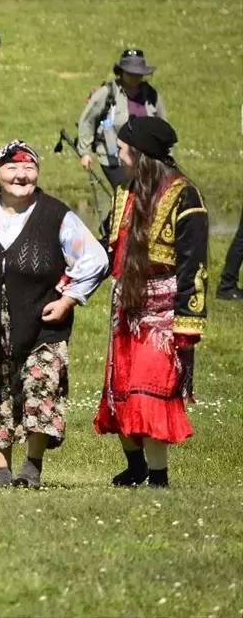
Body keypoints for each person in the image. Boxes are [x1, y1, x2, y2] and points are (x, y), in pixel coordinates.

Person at [0, 141, 108, 489]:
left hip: (42, 326)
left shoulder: (55, 214)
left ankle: (32, 467)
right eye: (11, 168)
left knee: (41, 392)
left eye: (28, 168)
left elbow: (96, 259)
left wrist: (69, 299)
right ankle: (0, 472)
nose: (20, 175)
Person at [94, 116, 208, 489]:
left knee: (149, 391)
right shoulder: (124, 192)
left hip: (161, 316)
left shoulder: (186, 197)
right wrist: (66, 282)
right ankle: (136, 466)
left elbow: (194, 267)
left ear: (141, 154)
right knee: (122, 389)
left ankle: (159, 478)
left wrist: (186, 329)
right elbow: (106, 250)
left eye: (124, 147)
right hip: (124, 311)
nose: (118, 152)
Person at [76, 49, 166, 189]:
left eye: (138, 74)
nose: (135, 77)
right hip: (113, 158)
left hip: (145, 158)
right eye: (130, 73)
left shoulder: (151, 94)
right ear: (122, 72)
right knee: (130, 194)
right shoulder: (107, 93)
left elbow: (162, 126)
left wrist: (166, 157)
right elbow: (87, 120)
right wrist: (85, 153)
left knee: (147, 197)